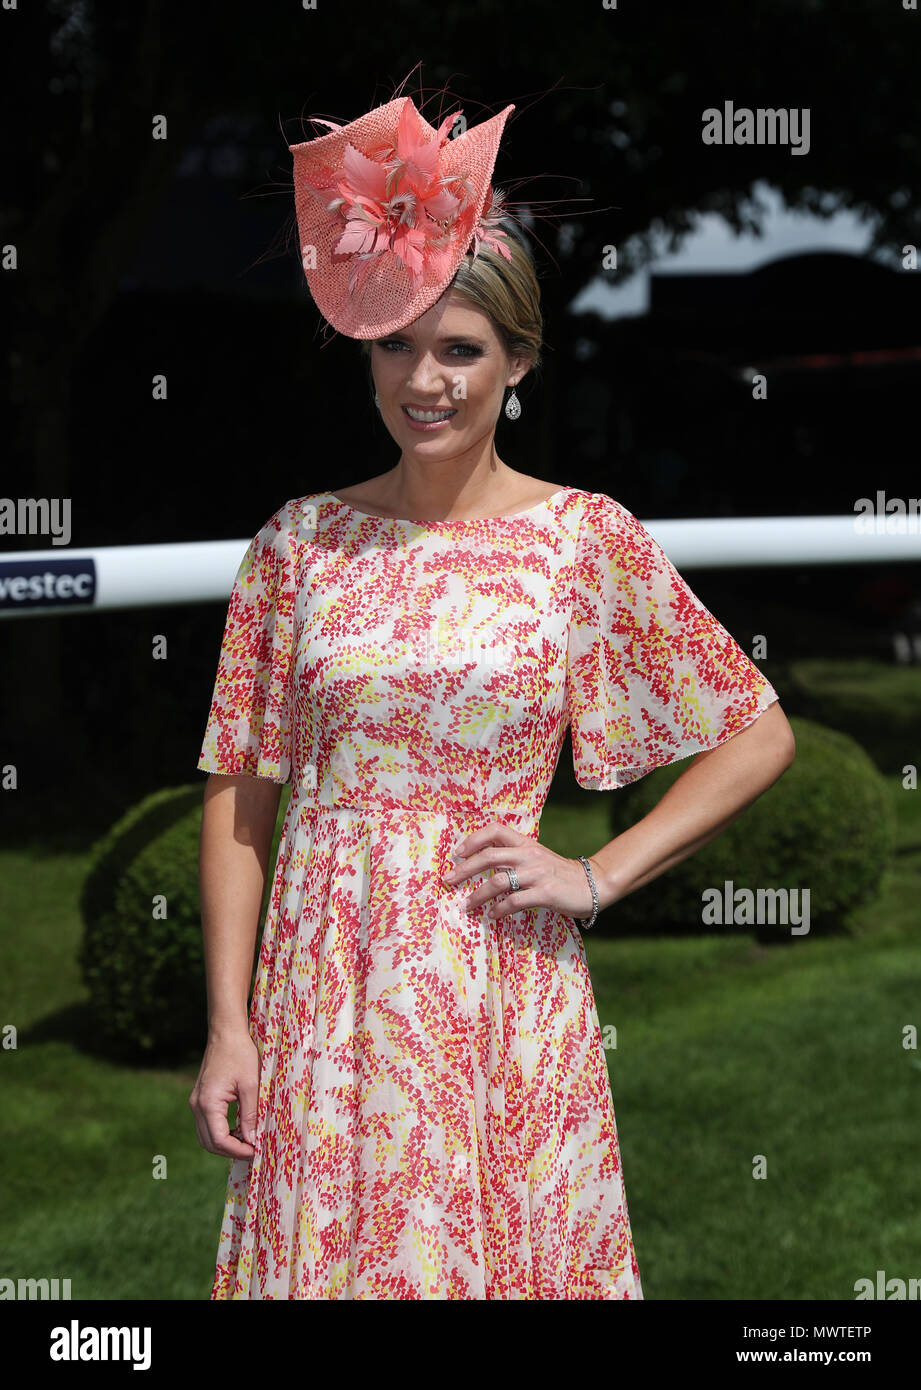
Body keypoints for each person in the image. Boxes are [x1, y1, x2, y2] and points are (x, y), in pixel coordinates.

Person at [188, 88, 795, 1300]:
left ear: (516, 362)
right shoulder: (298, 544)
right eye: (398, 345)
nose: (427, 380)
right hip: (324, 990)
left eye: (461, 349)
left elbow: (758, 730)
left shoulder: (583, 541)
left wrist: (598, 875)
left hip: (499, 984)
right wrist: (229, 1023)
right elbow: (240, 794)